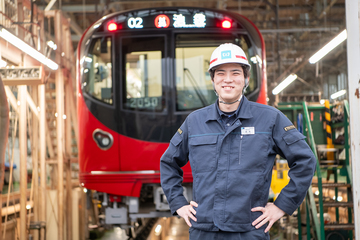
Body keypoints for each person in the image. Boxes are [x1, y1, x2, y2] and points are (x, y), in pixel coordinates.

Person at [160, 43, 316, 239]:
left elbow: (305, 160)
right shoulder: (195, 122)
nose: (228, 80)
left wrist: (281, 205)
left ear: (246, 79)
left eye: (235, 73)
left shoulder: (270, 119)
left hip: (249, 231)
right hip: (204, 231)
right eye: (220, 73)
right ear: (213, 80)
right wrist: (178, 203)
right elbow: (168, 163)